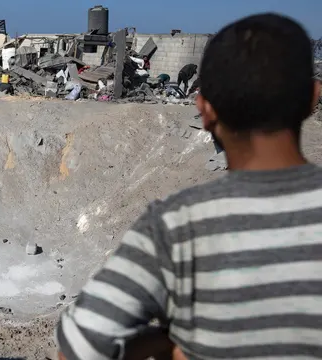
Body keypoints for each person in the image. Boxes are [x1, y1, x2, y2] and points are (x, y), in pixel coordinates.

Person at [56, 13, 322, 360]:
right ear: (313, 98)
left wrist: (167, 343)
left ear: (203, 108)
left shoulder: (175, 226)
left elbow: (80, 349)